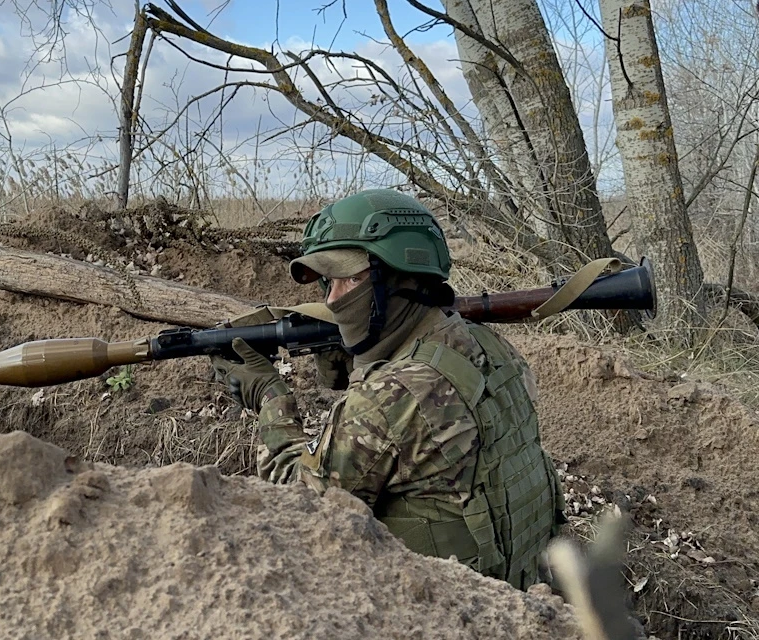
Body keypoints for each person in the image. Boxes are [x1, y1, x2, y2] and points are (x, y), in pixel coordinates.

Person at [210, 188, 566, 590]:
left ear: (399, 278)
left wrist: (270, 398)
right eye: (328, 282)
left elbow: (300, 514)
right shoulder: (492, 346)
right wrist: (362, 362)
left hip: (442, 617)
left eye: (350, 279)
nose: (333, 299)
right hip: (525, 601)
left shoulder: (386, 399)